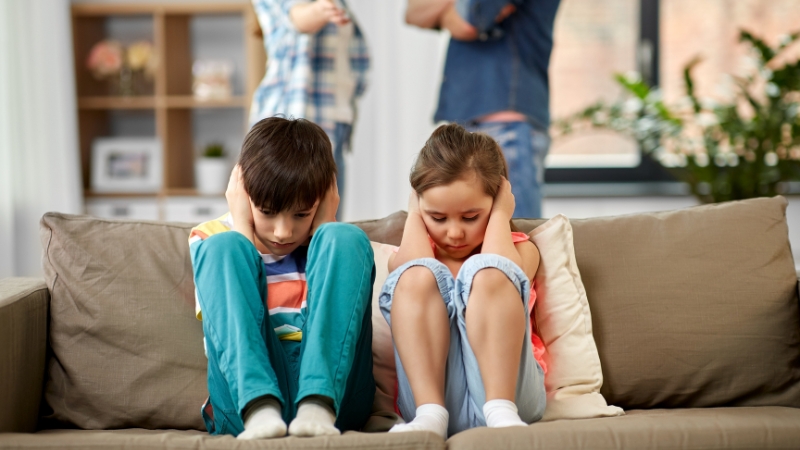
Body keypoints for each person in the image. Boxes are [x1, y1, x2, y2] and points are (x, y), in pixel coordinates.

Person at [189, 117, 375, 439]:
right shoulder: (211, 240)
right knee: (224, 247)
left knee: (345, 238)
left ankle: (317, 404)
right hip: (241, 400)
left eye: (301, 214)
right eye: (267, 212)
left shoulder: (333, 246)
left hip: (336, 399)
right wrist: (243, 229)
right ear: (243, 194)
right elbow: (230, 329)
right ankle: (259, 408)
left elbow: (338, 320)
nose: (283, 232)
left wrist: (325, 228)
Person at [379, 124, 547, 438]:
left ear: (498, 197)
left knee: (487, 271)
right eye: (437, 217)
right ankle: (431, 413)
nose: (454, 233)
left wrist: (500, 215)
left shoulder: (522, 250)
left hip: (512, 399)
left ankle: (500, 407)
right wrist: (414, 215)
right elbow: (412, 270)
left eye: (471, 217)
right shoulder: (414, 257)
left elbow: (502, 268)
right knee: (418, 275)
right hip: (432, 403)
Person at [405, 0, 560, 219]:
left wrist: (442, 15)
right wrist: (451, 11)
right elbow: (413, 13)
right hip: (478, 120)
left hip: (507, 123)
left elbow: (468, 21)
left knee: (518, 236)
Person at [250, 0, 369, 217]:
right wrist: (320, 10)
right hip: (292, 126)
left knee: (328, 221)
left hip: (337, 121)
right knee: (293, 220)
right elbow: (297, 17)